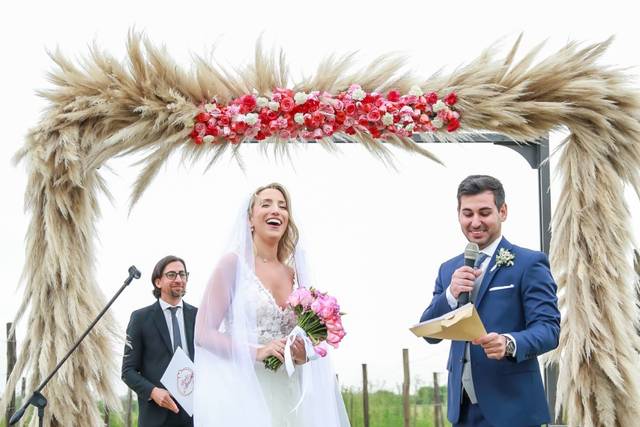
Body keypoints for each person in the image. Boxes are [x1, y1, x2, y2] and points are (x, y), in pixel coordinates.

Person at [193, 183, 349, 426]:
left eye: (283, 206)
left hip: (290, 391)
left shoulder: (295, 274)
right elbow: (203, 333)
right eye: (266, 204)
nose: (276, 210)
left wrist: (303, 352)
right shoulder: (233, 265)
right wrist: (256, 351)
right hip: (246, 391)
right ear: (249, 220)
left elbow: (307, 337)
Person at [420, 175, 560, 427]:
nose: (475, 222)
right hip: (462, 411)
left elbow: (549, 330)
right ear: (459, 214)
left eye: (484, 212)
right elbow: (430, 333)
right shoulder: (448, 269)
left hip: (513, 408)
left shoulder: (529, 263)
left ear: (502, 211)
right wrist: (451, 294)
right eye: (468, 213)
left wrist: (509, 343)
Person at [122, 255, 198, 427]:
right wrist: (153, 392)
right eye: (172, 275)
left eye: (182, 274)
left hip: (194, 417)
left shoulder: (199, 317)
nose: (179, 279)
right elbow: (127, 371)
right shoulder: (140, 318)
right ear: (158, 282)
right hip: (155, 417)